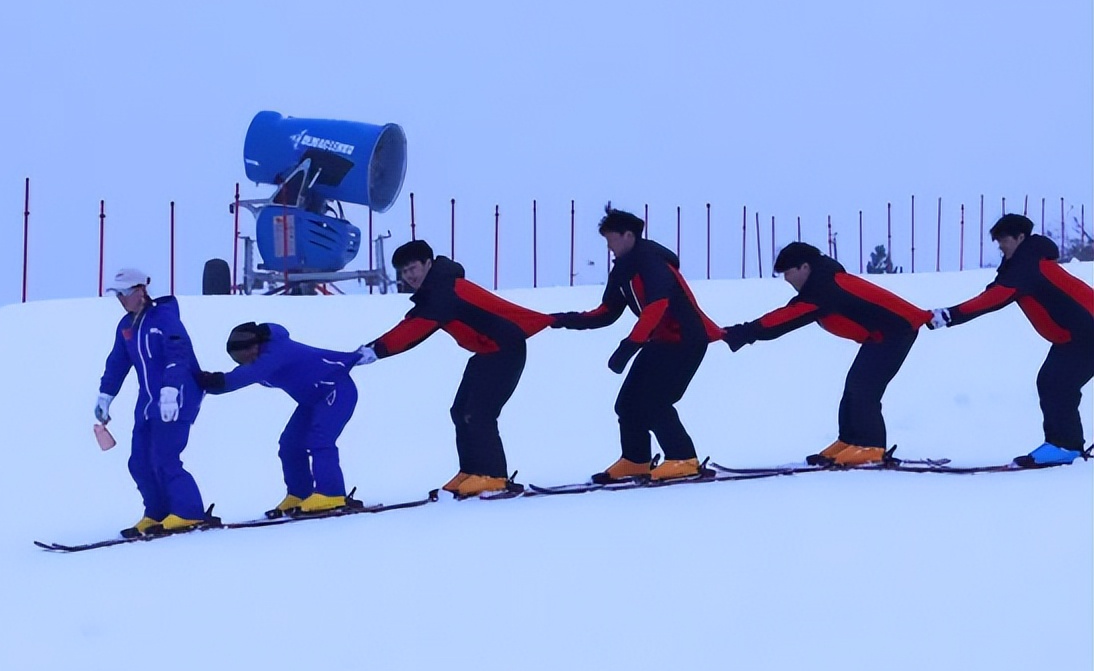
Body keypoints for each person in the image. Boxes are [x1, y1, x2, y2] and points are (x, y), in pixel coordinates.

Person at [359, 239, 551, 497]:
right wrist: (373, 347)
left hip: (505, 349)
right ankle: (471, 470)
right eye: (404, 272)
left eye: (413, 268)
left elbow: (414, 330)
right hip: (486, 351)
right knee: (460, 410)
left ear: (428, 263)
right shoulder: (436, 290)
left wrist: (376, 350)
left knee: (479, 413)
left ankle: (494, 476)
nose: (409, 276)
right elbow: (413, 322)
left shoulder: (443, 290)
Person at [549, 207, 724, 483]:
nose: (608, 247)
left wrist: (629, 346)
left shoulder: (651, 261)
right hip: (659, 341)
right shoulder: (623, 270)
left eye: (611, 240)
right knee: (628, 403)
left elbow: (657, 305)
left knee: (655, 402)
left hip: (686, 341)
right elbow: (606, 312)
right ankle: (636, 460)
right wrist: (562, 319)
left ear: (628, 236)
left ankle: (683, 459)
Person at [723, 241, 931, 465]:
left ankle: (870, 447)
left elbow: (786, 318)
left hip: (897, 332)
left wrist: (745, 332)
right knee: (854, 386)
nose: (786, 279)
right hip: (882, 335)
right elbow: (790, 312)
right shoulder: (822, 283)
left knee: (864, 387)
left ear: (804, 267)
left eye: (788, 272)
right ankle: (850, 441)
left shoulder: (824, 288)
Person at [927, 213, 1094, 466]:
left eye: (1004, 240)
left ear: (1020, 237)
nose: (1000, 246)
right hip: (1074, 337)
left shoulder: (1027, 267)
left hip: (1086, 334)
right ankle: (1063, 444)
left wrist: (950, 315)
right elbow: (995, 291)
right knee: (1052, 382)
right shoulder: (1024, 264)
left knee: (1056, 384)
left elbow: (994, 299)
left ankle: (1065, 446)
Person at [197, 322, 364, 514]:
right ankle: (300, 493)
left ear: (256, 344)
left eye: (247, 353)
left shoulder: (276, 351)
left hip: (337, 390)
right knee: (290, 444)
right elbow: (250, 371)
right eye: (239, 360)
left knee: (320, 439)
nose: (247, 360)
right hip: (312, 399)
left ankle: (331, 494)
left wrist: (216, 382)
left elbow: (249, 374)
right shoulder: (258, 359)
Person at [95, 268, 212, 535]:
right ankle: (157, 512)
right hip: (148, 403)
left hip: (178, 397)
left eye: (124, 294)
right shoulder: (126, 326)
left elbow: (178, 354)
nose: (120, 300)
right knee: (139, 461)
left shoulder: (164, 318)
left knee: (164, 456)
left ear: (140, 291)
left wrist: (171, 390)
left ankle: (188, 512)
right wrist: (106, 395)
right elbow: (117, 363)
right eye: (117, 295)